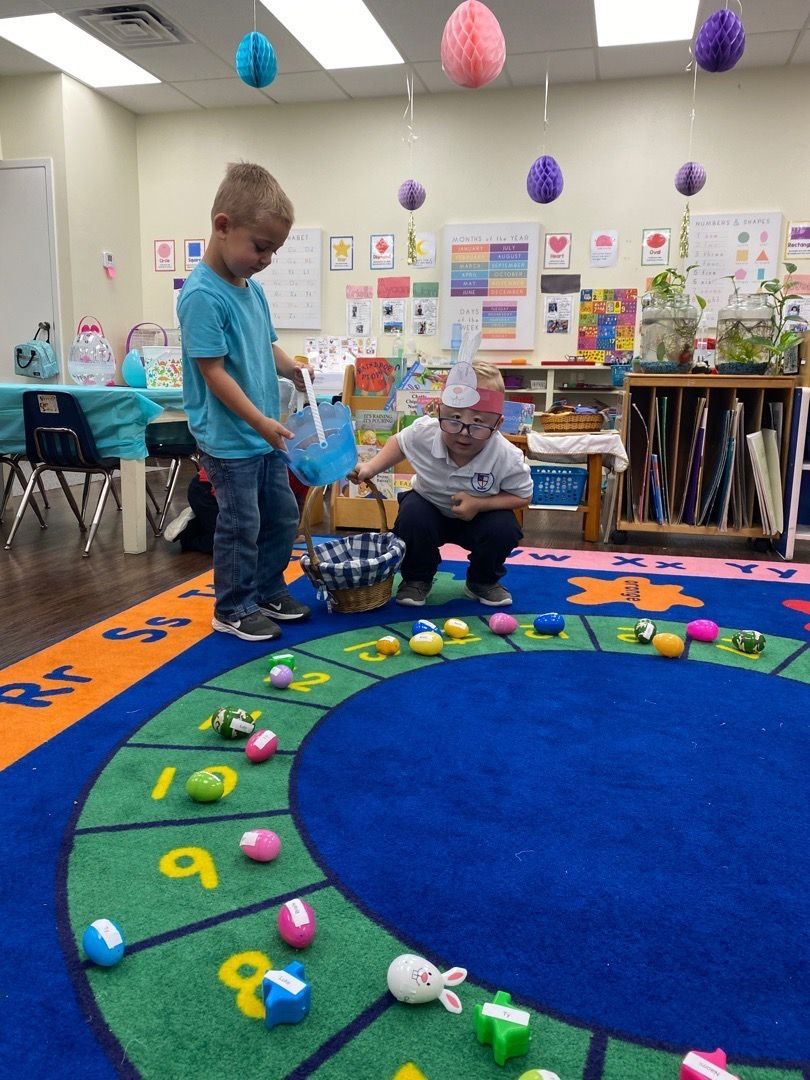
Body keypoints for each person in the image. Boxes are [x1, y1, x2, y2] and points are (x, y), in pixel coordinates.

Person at [178, 161, 312, 641]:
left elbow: (267, 345)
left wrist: (292, 367)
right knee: (240, 525)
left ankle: (268, 588)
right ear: (222, 226)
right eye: (261, 247)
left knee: (282, 516)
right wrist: (260, 421)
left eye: (273, 250)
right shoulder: (200, 296)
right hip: (231, 439)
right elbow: (213, 372)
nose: (266, 259)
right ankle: (232, 607)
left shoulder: (252, 291)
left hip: (262, 434)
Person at [351, 359, 532, 607]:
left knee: (504, 528)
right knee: (411, 516)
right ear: (439, 413)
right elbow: (399, 443)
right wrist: (371, 467)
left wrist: (479, 504)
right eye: (454, 418)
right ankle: (417, 578)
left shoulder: (507, 455)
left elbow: (523, 496)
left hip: (478, 518)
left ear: (498, 424)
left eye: (479, 423)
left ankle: (482, 580)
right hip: (429, 507)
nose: (464, 432)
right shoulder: (425, 431)